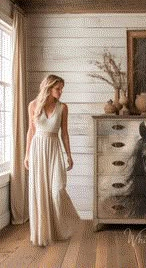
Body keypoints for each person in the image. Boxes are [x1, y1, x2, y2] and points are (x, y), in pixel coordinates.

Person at [24, 74, 80, 246]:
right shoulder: (33, 105)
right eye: (58, 88)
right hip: (37, 150)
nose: (61, 91)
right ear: (49, 88)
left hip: (54, 150)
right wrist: (26, 154)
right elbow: (30, 131)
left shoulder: (63, 107)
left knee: (57, 190)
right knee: (39, 192)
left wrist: (69, 155)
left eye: (62, 88)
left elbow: (64, 133)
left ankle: (64, 226)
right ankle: (42, 234)